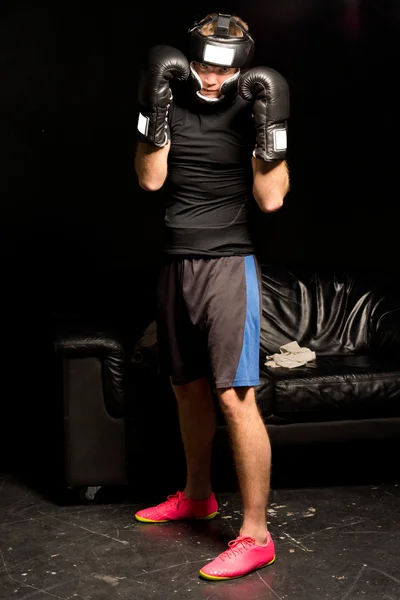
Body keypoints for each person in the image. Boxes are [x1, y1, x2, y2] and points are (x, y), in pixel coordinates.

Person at [133, 12, 290, 580]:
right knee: (187, 388)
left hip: (228, 266)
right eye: (202, 64)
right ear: (189, 58)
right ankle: (197, 495)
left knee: (234, 397)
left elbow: (271, 200)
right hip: (176, 262)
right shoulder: (168, 97)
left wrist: (272, 128)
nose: (210, 78)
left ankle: (256, 535)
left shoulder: (255, 108)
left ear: (242, 67)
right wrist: (154, 112)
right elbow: (150, 180)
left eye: (223, 69)